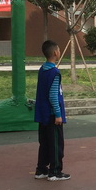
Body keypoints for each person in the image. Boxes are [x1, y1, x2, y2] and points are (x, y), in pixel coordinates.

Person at [34, 40, 69, 181]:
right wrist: (58, 114)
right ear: (55, 53)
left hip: (42, 114)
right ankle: (55, 172)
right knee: (56, 144)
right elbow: (53, 95)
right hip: (52, 115)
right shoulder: (54, 72)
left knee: (44, 143)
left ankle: (41, 169)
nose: (59, 52)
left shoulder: (42, 69)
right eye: (59, 50)